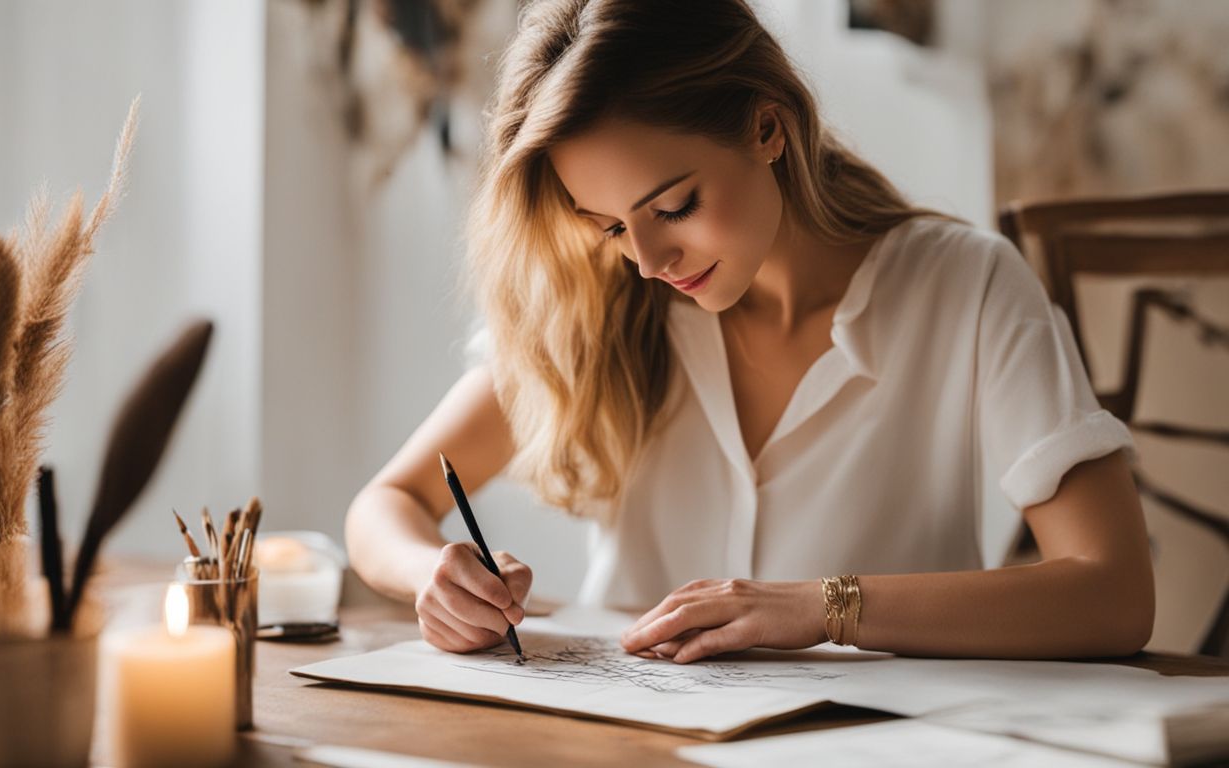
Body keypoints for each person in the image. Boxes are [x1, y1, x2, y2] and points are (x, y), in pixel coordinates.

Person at [344, 0, 1154, 663]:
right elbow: (387, 504)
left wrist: (818, 608)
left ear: (768, 128)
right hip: (626, 738)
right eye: (610, 227)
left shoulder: (966, 285)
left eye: (673, 208)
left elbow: (1114, 592)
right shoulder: (598, 303)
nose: (650, 260)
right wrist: (433, 575)